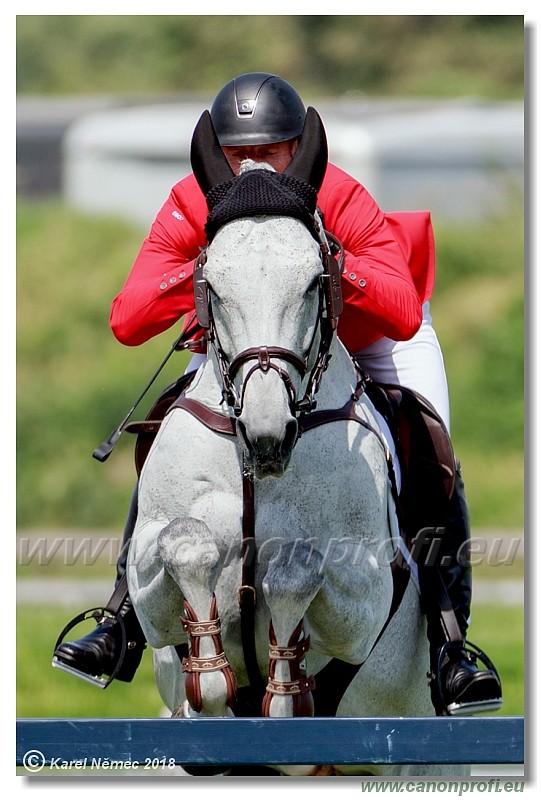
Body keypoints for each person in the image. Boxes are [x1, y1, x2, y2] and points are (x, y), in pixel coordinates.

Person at [54, 72, 502, 716]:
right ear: (216, 154)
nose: (254, 164)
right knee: (166, 434)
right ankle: (122, 617)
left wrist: (326, 264)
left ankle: (449, 644)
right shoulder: (190, 200)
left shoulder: (338, 193)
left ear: (300, 148)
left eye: (272, 149)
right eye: (237, 153)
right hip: (246, 341)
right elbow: (127, 320)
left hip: (369, 337)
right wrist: (211, 269)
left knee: (429, 444)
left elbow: (402, 312)